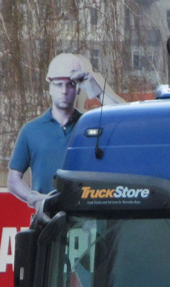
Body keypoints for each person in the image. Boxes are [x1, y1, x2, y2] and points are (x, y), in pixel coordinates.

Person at [7, 53, 123, 208]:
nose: (63, 91)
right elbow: (13, 179)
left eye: (70, 85)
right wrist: (34, 199)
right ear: (50, 87)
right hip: (46, 218)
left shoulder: (88, 127)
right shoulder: (31, 130)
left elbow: (121, 119)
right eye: (58, 84)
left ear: (78, 89)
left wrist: (97, 90)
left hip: (84, 217)